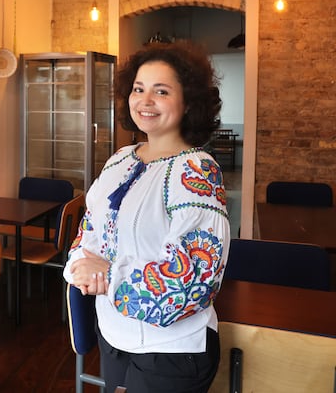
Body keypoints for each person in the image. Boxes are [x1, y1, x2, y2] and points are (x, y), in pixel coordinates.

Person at [63, 40, 230, 393]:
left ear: (189, 103)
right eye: (139, 89)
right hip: (112, 335)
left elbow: (191, 285)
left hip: (169, 352)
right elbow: (90, 228)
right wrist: (80, 265)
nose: (145, 100)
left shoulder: (197, 173)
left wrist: (109, 277)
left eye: (162, 91)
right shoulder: (122, 158)